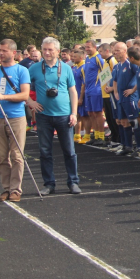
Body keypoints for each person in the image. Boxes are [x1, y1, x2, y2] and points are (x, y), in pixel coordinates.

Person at [27, 37, 81, 195]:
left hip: (64, 116)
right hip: (43, 116)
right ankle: (49, 184)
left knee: (69, 151)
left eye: (50, 49)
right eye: (44, 49)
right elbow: (22, 88)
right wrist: (31, 102)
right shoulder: (34, 68)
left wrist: (74, 113)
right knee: (45, 151)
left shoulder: (66, 68)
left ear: (58, 51)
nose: (47, 52)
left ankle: (73, 182)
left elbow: (73, 91)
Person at [0, 39, 30, 202]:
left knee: (17, 155)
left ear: (13, 53)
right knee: (2, 156)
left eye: (4, 51)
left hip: (16, 117)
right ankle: (6, 188)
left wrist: (4, 97)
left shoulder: (21, 70)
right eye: (0, 50)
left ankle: (16, 189)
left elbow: (24, 95)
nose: (0, 53)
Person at [111, 42, 139, 156]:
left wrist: (133, 89)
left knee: (134, 121)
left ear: (124, 51)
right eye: (114, 51)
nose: (115, 53)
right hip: (121, 98)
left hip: (130, 97)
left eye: (117, 50)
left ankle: (139, 145)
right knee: (122, 121)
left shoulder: (130, 63)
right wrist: (116, 91)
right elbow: (115, 80)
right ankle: (127, 145)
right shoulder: (117, 66)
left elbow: (139, 76)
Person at [80, 40, 106, 146]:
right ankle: (95, 135)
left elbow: (106, 72)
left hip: (96, 90)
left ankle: (101, 136)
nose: (87, 49)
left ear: (94, 47)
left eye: (88, 47)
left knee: (98, 113)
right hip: (88, 90)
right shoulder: (87, 58)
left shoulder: (98, 57)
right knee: (90, 113)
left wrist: (103, 87)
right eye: (85, 47)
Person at [98, 43, 120, 148]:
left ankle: (117, 139)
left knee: (113, 117)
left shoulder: (112, 61)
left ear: (107, 51)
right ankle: (114, 138)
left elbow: (116, 76)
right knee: (109, 118)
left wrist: (112, 88)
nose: (99, 54)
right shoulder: (105, 62)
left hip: (110, 94)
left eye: (101, 51)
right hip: (105, 94)